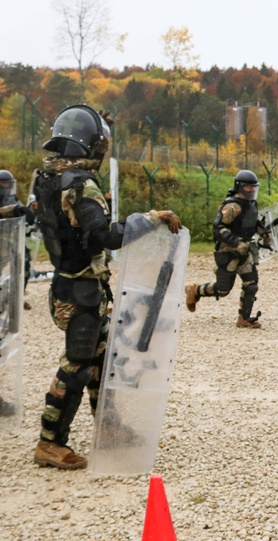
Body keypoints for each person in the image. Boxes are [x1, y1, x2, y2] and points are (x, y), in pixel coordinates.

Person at [31, 104, 181, 469]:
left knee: (100, 360)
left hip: (71, 284)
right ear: (90, 145)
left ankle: (109, 429)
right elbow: (105, 235)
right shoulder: (80, 185)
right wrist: (151, 219)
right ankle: (49, 442)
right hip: (79, 291)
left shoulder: (47, 177)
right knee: (77, 366)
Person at [185, 170, 269, 328]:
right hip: (228, 252)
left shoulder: (251, 205)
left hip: (245, 253)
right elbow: (219, 228)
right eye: (248, 187)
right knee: (223, 289)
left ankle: (244, 318)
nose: (251, 191)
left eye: (253, 188)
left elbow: (253, 222)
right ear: (240, 187)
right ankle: (195, 290)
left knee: (251, 284)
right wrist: (236, 242)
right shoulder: (231, 206)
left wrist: (263, 233)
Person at [0, 169, 34, 309]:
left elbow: (18, 211)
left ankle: (16, 297)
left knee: (23, 265)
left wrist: (28, 212)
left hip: (14, 238)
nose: (7, 187)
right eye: (4, 184)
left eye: (9, 184)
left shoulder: (13, 199)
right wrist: (12, 210)